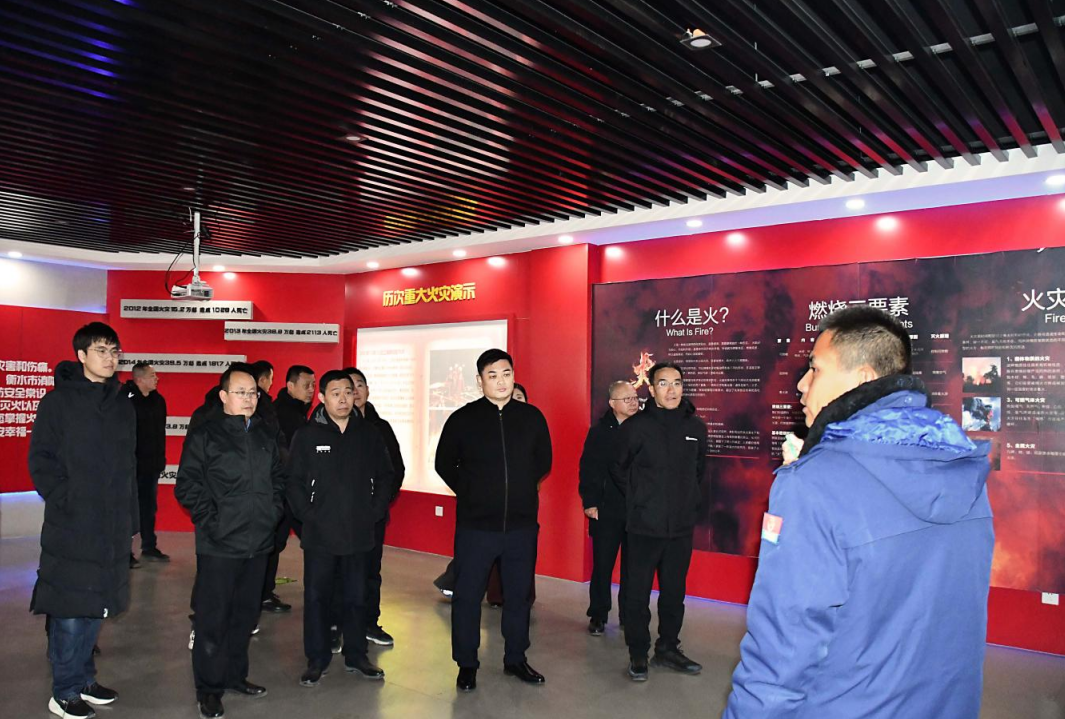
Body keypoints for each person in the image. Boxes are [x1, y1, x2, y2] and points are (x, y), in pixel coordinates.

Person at [722, 307, 994, 719]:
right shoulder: (964, 469)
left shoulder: (812, 484)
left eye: (815, 369)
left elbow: (783, 648)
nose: (801, 384)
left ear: (862, 379)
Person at [28, 322, 135, 719]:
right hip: (72, 523)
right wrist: (65, 499)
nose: (110, 358)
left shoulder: (122, 404)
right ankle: (64, 690)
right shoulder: (57, 403)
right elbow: (41, 459)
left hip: (111, 524)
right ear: (81, 355)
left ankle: (85, 679)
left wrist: (130, 517)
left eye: (114, 350)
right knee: (71, 609)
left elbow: (128, 466)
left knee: (96, 605)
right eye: (101, 350)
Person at [435, 349, 552, 692]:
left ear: (513, 375)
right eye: (492, 375)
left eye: (506, 374)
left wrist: (520, 488)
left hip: (521, 526)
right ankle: (466, 663)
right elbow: (444, 463)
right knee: (467, 596)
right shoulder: (463, 419)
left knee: (518, 597)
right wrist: (472, 491)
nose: (501, 381)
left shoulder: (531, 417)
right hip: (476, 527)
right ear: (479, 380)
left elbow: (543, 461)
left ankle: (516, 658)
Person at [175, 363, 285, 719]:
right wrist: (213, 522)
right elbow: (187, 485)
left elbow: (279, 478)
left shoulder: (266, 434)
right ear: (223, 396)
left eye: (253, 392)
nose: (249, 398)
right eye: (240, 392)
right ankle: (208, 689)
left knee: (245, 617)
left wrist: (272, 513)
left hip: (258, 543)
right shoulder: (206, 434)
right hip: (219, 545)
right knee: (213, 620)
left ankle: (235, 676)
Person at [288, 370, 395, 686]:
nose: (344, 398)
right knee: (317, 598)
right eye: (336, 393)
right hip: (320, 534)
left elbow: (386, 475)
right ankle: (316, 659)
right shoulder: (307, 435)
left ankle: (357, 655)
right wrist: (308, 515)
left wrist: (374, 512)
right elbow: (292, 482)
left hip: (359, 533)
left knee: (357, 597)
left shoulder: (369, 434)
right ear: (322, 397)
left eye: (348, 392)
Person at [612, 361, 707, 682]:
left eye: (677, 383)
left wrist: (686, 501)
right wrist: (640, 499)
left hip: (680, 527)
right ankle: (638, 652)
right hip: (644, 526)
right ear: (651, 389)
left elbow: (699, 471)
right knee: (637, 594)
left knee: (674, 593)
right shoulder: (636, 427)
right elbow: (618, 468)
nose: (672, 390)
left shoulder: (696, 428)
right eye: (664, 383)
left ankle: (668, 648)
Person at [345, 367, 406, 647]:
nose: (355, 391)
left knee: (370, 571)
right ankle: (337, 625)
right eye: (349, 386)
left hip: (372, 516)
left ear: (368, 390)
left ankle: (370, 622)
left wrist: (380, 504)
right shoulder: (328, 428)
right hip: (338, 517)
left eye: (360, 385)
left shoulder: (381, 428)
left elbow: (396, 469)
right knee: (338, 571)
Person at [579, 380, 639, 636]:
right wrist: (590, 502)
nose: (634, 402)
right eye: (627, 399)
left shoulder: (643, 428)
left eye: (635, 397)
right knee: (602, 565)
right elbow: (589, 468)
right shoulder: (599, 432)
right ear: (613, 403)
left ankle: (629, 615)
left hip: (637, 509)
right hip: (606, 508)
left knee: (633, 567)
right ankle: (598, 614)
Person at [261, 364, 315, 614]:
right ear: (290, 386)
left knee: (280, 542)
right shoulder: (282, 413)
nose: (311, 390)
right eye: (306, 385)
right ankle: (263, 593)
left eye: (313, 385)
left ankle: (264, 592)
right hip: (284, 491)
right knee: (274, 543)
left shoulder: (297, 411)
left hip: (292, 490)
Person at [123, 362, 169, 563]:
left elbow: (160, 434)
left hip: (151, 466)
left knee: (149, 507)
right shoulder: (125, 400)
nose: (156, 379)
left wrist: (160, 459)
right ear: (139, 379)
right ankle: (124, 551)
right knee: (128, 509)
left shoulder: (158, 401)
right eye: (152, 375)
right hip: (130, 466)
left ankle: (149, 545)